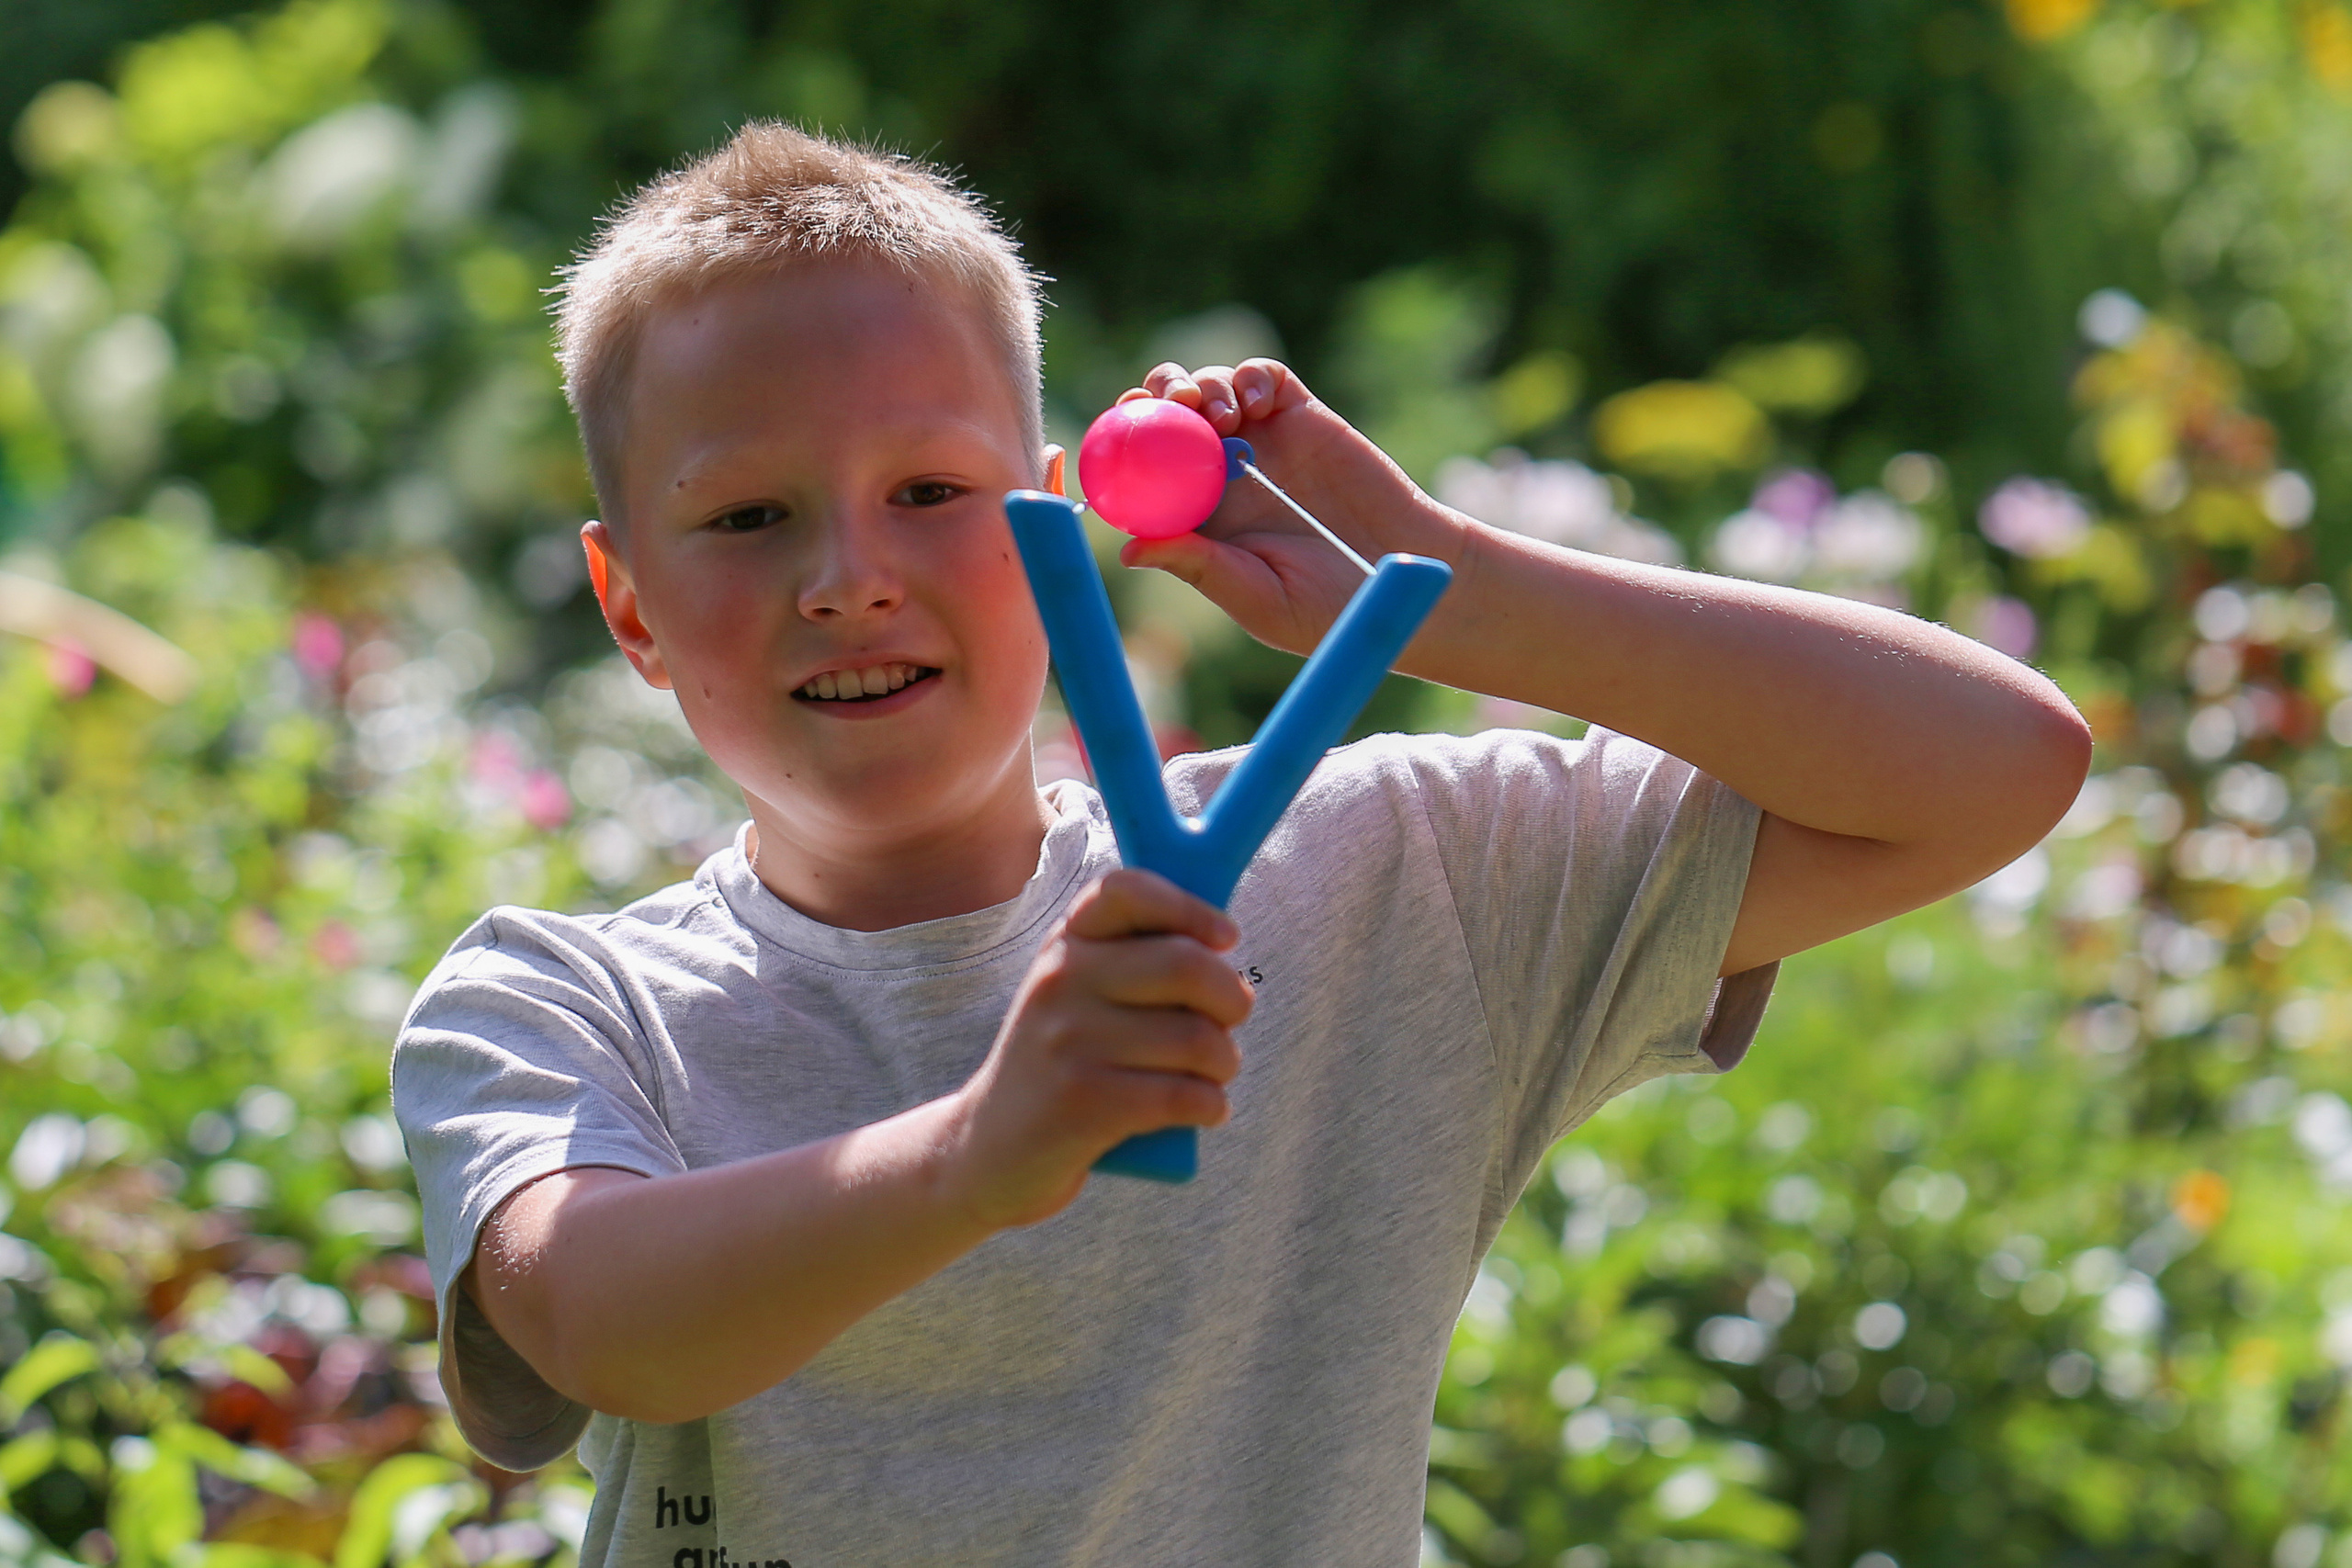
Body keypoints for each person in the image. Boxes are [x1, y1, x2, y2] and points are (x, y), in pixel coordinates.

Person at [390, 120, 2090, 1566]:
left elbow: (1994, 766)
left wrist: (1450, 587)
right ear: (630, 604)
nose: (848, 577)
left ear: (1053, 512)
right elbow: (598, 1321)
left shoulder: (1382, 884)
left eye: (930, 493)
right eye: (749, 515)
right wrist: (985, 1149)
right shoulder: (559, 1005)